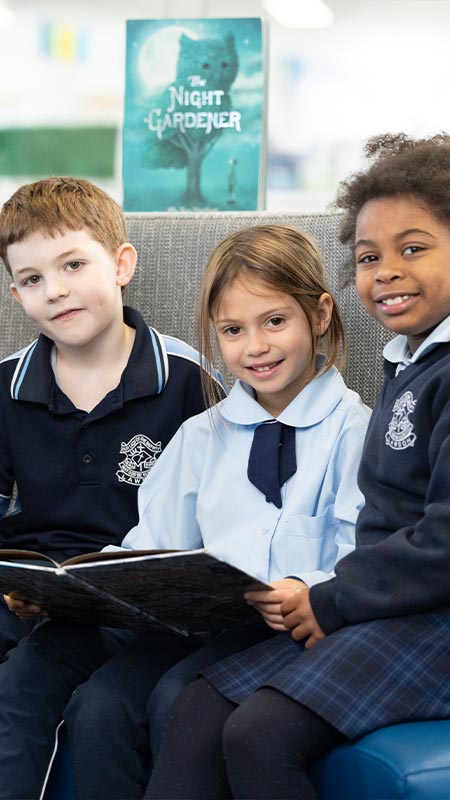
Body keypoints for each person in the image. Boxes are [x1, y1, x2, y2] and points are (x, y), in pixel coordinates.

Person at [144, 132, 450, 800]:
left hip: (426, 619)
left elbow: (438, 544)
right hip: (384, 609)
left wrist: (329, 598)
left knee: (258, 734)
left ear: (317, 317)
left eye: (414, 248)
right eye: (369, 256)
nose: (387, 270)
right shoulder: (410, 366)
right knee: (194, 708)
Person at [63, 223, 371, 800]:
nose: (254, 347)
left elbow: (363, 557)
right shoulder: (200, 435)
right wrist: (78, 583)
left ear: (321, 315)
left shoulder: (357, 433)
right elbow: (150, 544)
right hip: (200, 626)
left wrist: (306, 586)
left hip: (291, 631)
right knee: (100, 705)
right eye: (233, 330)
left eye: (274, 321)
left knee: (179, 696)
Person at [0, 176, 224, 800]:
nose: (57, 290)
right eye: (33, 278)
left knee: (30, 681)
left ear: (122, 264)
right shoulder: (7, 386)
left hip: (131, 599)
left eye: (73, 264)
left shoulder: (186, 379)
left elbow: (226, 511)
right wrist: (16, 579)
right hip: (32, 588)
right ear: (16, 293)